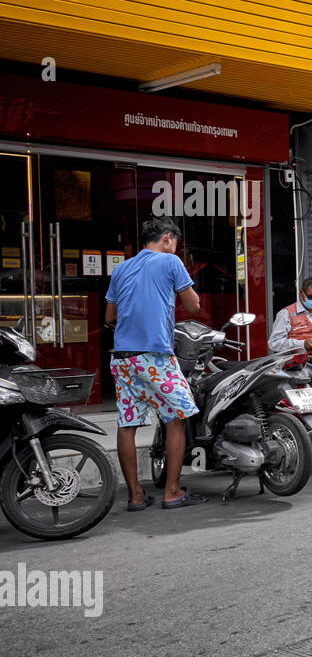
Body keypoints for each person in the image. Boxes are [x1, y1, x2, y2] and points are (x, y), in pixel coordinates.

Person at [104, 218, 205, 510]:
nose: (176, 248)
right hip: (155, 356)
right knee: (176, 417)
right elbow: (193, 305)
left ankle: (135, 496)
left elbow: (110, 317)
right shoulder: (170, 262)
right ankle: (172, 491)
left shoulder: (121, 269)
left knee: (128, 424)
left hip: (123, 358)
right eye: (175, 243)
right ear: (167, 238)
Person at [269, 277, 312, 354]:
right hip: (299, 363)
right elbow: (274, 343)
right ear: (301, 293)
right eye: (311, 297)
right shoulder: (286, 314)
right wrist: (302, 344)